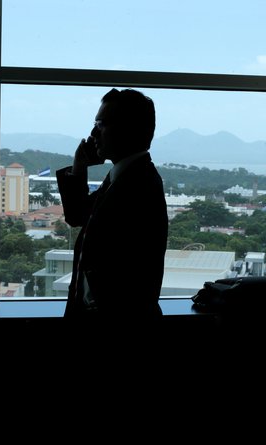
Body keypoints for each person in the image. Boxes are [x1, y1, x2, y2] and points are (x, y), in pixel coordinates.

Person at [56, 88, 168, 320]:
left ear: (127, 128)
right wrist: (80, 165)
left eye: (101, 123)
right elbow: (78, 216)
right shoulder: (122, 176)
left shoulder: (139, 185)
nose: (93, 133)